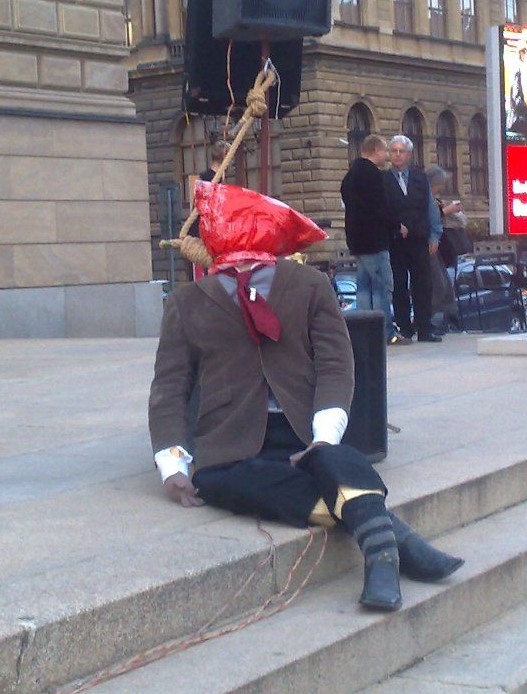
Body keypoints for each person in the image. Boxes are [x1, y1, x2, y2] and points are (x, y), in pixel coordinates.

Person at [149, 182, 463, 612]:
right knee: (216, 480)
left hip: (301, 426)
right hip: (232, 441)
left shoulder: (309, 285)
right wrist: (172, 461)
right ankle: (388, 537)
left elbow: (336, 363)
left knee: (334, 458)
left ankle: (381, 558)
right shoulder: (187, 302)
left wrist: (324, 433)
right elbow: (169, 385)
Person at [340, 134, 410, 346]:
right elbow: (380, 208)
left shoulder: (350, 176)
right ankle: (385, 332)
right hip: (375, 240)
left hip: (357, 240)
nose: (387, 156)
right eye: (385, 151)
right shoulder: (372, 175)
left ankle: (364, 334)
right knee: (381, 287)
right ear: (376, 151)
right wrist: (397, 226)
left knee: (363, 288)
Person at [382, 136, 441, 343]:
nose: (397, 155)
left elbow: (429, 207)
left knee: (422, 284)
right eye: (394, 151)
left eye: (401, 151)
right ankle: (405, 328)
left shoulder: (419, 177)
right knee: (399, 284)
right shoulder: (383, 179)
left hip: (419, 239)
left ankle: (425, 327)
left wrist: (435, 234)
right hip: (395, 241)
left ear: (408, 154)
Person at [425, 166, 460, 335]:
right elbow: (428, 218)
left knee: (443, 283)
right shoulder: (426, 199)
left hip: (435, 246)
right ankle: (432, 319)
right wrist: (447, 211)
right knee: (439, 284)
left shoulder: (433, 199)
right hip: (429, 246)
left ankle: (446, 318)